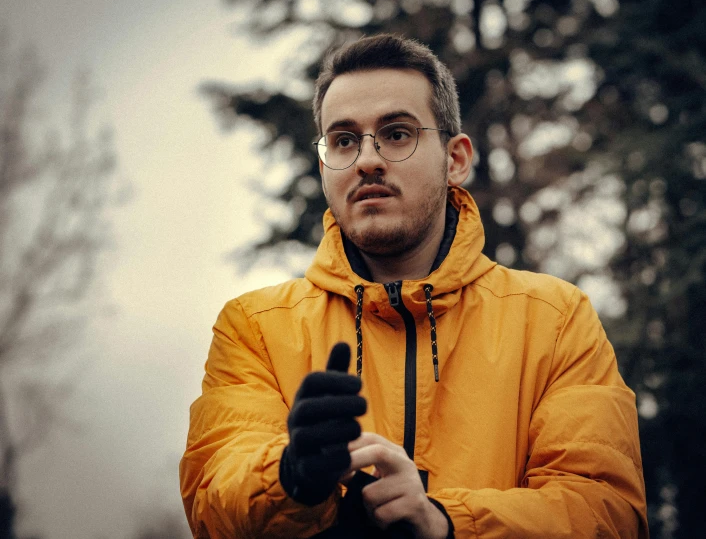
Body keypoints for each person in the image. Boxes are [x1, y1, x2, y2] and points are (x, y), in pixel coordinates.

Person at [179, 34, 648, 539]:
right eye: (343, 140)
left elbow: (606, 511)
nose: (366, 160)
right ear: (323, 168)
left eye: (397, 133)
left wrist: (444, 522)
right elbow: (212, 501)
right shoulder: (254, 327)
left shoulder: (555, 319)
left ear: (456, 160)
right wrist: (291, 477)